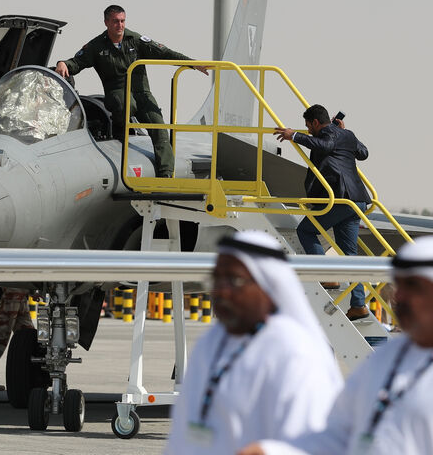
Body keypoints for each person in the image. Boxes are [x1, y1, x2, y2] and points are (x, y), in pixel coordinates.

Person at [239, 236, 433, 455]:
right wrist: (272, 451)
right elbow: (336, 436)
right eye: (400, 285)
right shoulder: (384, 359)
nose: (399, 297)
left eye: (414, 286)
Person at [164, 230, 343, 455]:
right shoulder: (211, 342)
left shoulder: (294, 353)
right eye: (217, 279)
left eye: (234, 280)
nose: (221, 291)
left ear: (268, 286)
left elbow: (316, 445)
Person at [55, 4, 208, 178]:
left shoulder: (134, 40)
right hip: (117, 93)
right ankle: (120, 128)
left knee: (159, 128)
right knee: (126, 104)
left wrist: (192, 63)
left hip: (142, 93)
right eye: (115, 22)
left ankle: (166, 174)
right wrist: (63, 63)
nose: (119, 25)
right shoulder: (96, 46)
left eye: (122, 21)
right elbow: (77, 63)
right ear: (106, 22)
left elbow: (165, 53)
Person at [274, 105, 371, 321]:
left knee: (306, 231)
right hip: (356, 200)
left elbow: (325, 145)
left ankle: (327, 274)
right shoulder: (346, 135)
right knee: (349, 255)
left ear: (316, 122)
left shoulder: (328, 135)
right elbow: (363, 153)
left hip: (340, 199)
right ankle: (358, 305)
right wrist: (345, 132)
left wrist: (294, 136)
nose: (308, 130)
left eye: (308, 126)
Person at [0, 287, 35, 391]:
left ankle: (27, 379)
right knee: (0, 338)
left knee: (28, 337)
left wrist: (32, 290)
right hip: (11, 297)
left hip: (21, 296)